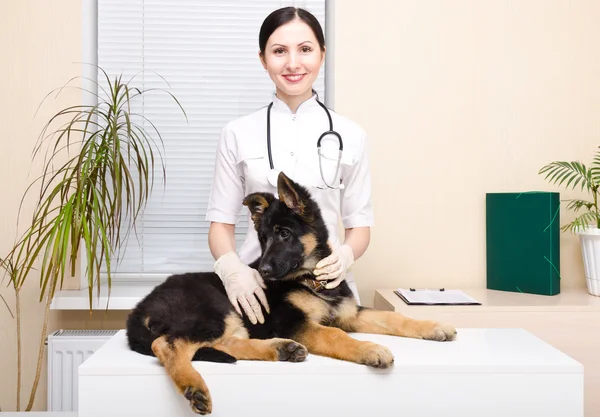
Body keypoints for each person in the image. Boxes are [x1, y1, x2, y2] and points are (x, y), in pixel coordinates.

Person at [206, 6, 374, 325]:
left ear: (322, 55)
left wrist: (346, 255)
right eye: (279, 51)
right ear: (263, 59)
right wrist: (231, 270)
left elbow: (359, 225)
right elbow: (220, 225)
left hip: (328, 289)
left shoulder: (351, 135)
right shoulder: (237, 133)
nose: (293, 63)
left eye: (305, 50)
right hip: (257, 290)